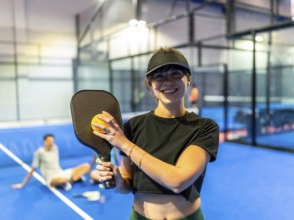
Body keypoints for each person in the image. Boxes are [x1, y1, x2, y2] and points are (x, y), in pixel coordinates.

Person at [92, 47, 219, 219]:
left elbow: (178, 181)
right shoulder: (133, 127)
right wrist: (118, 179)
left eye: (175, 73)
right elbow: (126, 186)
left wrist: (124, 144)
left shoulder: (204, 127)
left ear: (188, 80)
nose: (168, 81)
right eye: (159, 76)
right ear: (150, 85)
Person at [12, 134, 91, 190]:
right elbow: (33, 169)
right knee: (62, 180)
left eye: (52, 141)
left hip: (61, 172)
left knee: (86, 166)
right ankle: (73, 179)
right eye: (49, 141)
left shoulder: (55, 148)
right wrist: (22, 184)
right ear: (44, 141)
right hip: (51, 178)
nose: (51, 143)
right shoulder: (39, 153)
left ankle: (72, 180)